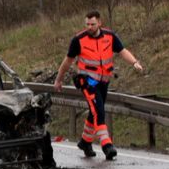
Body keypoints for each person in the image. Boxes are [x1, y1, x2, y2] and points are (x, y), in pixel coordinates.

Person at [53, 10, 144, 160]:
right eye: (87, 24)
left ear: (99, 23)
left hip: (103, 81)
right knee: (99, 111)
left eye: (92, 24)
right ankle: (107, 145)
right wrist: (58, 79)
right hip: (87, 81)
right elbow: (67, 62)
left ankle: (85, 142)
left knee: (94, 111)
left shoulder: (109, 36)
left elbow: (122, 51)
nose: (89, 27)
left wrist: (134, 62)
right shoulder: (78, 40)